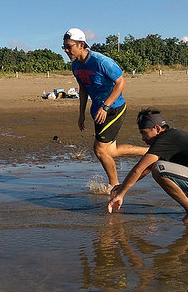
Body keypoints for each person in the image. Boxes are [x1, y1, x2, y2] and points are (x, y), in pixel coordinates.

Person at [108, 108, 188, 224]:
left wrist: (120, 194)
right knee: (176, 172)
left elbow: (139, 168)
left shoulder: (164, 141)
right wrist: (123, 187)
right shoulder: (172, 137)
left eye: (144, 133)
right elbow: (146, 168)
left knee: (159, 169)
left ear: (157, 129)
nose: (143, 138)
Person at [63, 28, 147, 189]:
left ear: (81, 45)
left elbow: (121, 82)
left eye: (69, 46)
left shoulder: (101, 61)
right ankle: (149, 152)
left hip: (113, 108)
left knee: (100, 150)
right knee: (111, 150)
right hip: (97, 110)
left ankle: (114, 186)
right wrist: (81, 114)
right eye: (64, 47)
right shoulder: (76, 66)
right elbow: (83, 89)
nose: (66, 50)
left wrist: (105, 106)